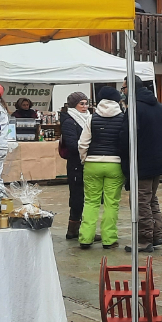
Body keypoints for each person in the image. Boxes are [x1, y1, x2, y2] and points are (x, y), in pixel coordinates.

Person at [78, 86, 129, 250]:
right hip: (115, 164)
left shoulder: (91, 118)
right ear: (117, 100)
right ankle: (109, 239)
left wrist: (85, 159)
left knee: (91, 202)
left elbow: (82, 143)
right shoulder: (123, 118)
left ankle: (85, 238)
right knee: (111, 203)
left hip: (93, 163)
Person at [132, 77, 162, 251]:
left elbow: (128, 136)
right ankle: (157, 235)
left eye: (124, 88)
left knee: (142, 201)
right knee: (152, 199)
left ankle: (145, 239)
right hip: (157, 160)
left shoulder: (136, 108)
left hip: (143, 161)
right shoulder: (159, 107)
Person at [58, 92, 90, 239]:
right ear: (73, 105)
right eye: (81, 104)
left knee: (86, 196)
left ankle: (83, 229)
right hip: (76, 163)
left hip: (86, 162)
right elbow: (72, 145)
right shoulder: (69, 121)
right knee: (77, 196)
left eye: (86, 103)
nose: (85, 107)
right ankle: (73, 229)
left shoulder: (88, 118)